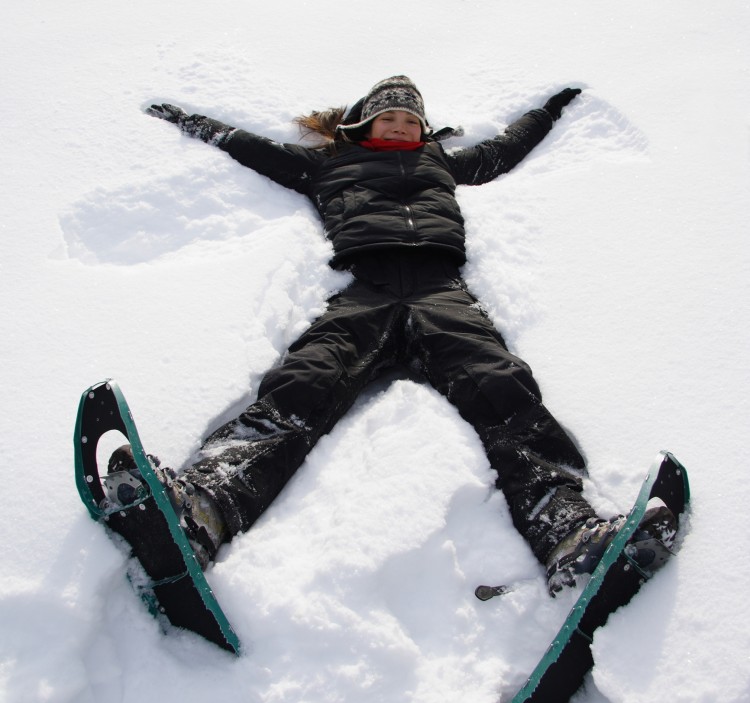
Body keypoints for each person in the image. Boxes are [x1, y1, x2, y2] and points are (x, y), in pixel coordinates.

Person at [108, 75, 675, 595]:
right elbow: (249, 146)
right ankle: (203, 505)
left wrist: (548, 110)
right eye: (391, 120)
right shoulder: (327, 164)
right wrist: (191, 121)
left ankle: (570, 530)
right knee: (306, 380)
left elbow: (505, 149)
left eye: (412, 121)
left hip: (440, 290)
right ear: (362, 125)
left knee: (501, 385)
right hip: (367, 289)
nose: (403, 127)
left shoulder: (442, 163)